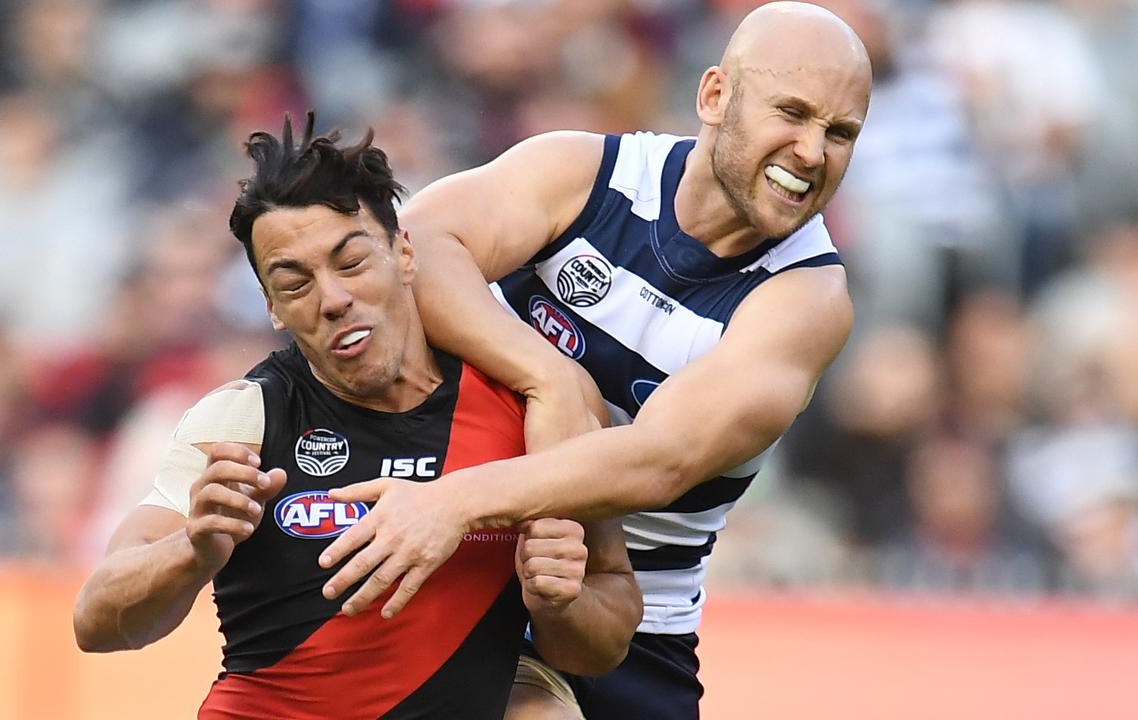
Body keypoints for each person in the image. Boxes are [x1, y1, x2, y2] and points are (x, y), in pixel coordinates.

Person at [313, 3, 874, 718]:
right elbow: (419, 243)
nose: (811, 151)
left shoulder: (808, 299)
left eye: (839, 133)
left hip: (624, 627)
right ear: (714, 96)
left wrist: (454, 501)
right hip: (467, 564)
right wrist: (547, 376)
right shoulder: (589, 171)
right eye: (791, 112)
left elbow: (657, 461)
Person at [71, 114, 642, 720]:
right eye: (295, 284)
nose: (334, 299)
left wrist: (562, 602)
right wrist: (190, 552)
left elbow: (606, 631)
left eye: (351, 262)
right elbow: (97, 621)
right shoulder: (243, 419)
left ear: (404, 252)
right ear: (271, 308)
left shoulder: (533, 404)